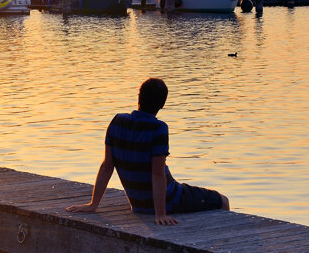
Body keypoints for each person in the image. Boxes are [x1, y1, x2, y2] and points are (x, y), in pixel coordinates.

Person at [67, 78, 230, 226]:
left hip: (138, 204)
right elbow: (157, 174)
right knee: (222, 200)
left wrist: (93, 204)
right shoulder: (158, 128)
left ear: (139, 97)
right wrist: (160, 214)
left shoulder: (117, 121)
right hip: (170, 199)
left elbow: (106, 167)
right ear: (162, 104)